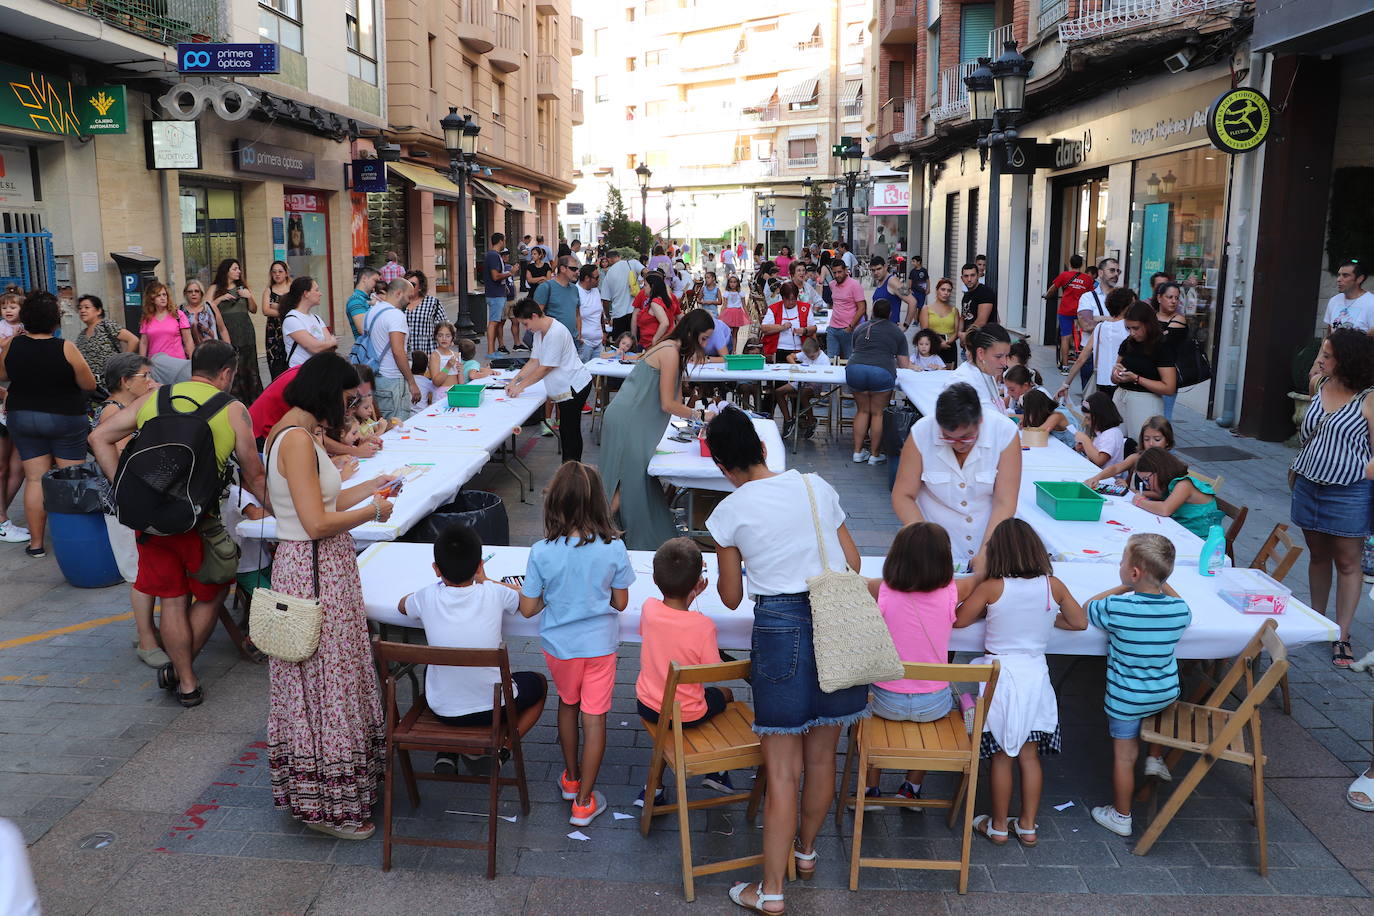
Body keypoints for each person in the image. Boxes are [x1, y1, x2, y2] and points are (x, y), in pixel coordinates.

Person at [703, 408, 868, 912]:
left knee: (781, 772)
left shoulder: (728, 511)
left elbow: (731, 598)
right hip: (835, 619)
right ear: (759, 444)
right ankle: (807, 851)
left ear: (722, 464)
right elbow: (853, 563)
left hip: (779, 628)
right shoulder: (816, 486)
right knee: (822, 758)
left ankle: (771, 890)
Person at [263, 352, 396, 838]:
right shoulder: (296, 440)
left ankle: (337, 791)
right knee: (326, 680)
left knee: (331, 676)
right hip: (314, 567)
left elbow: (321, 502)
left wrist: (370, 489)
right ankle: (330, 804)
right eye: (344, 399)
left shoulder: (300, 435)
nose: (347, 409)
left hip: (321, 564)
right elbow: (316, 523)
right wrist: (372, 513)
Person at [90, 341, 266, 705]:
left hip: (151, 519)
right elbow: (254, 473)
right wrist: (282, 513)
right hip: (197, 520)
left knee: (171, 600)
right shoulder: (232, 408)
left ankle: (186, 682)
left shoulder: (157, 397)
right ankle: (178, 668)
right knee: (214, 589)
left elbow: (98, 437)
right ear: (227, 373)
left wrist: (122, 488)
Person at [955, 519, 1087, 847]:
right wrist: (1046, 619)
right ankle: (1027, 826)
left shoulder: (992, 588)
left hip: (1000, 680)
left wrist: (989, 606)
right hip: (1036, 680)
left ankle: (998, 825)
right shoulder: (1052, 586)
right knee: (1029, 756)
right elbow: (1079, 622)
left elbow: (959, 619)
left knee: (1001, 754)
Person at [518, 461, 634, 826]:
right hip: (599, 646)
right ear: (598, 502)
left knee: (568, 705)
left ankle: (570, 778)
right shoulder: (614, 548)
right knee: (594, 718)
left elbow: (527, 609)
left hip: (560, 648)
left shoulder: (541, 551)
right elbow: (620, 603)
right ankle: (584, 802)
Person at [398, 524, 548, 775]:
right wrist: (488, 580)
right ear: (480, 565)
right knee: (539, 683)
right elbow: (529, 604)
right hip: (494, 706)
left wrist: (424, 595)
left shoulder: (426, 597)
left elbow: (403, 606)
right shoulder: (494, 592)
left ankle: (449, 751)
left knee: (439, 668)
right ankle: (503, 749)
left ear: (436, 569)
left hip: (442, 709)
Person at [858, 522, 978, 807]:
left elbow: (855, 581)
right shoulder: (952, 591)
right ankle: (911, 787)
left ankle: (871, 789)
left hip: (884, 702)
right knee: (939, 692)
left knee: (869, 690)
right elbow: (979, 578)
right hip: (933, 706)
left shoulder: (882, 589)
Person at [1085, 533, 1191, 837]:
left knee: (1125, 755)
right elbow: (1179, 601)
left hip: (1126, 700)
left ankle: (1121, 816)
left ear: (1134, 573)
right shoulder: (1179, 611)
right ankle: (1155, 756)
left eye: (1122, 561)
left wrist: (1123, 588)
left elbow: (1088, 606)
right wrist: (1159, 581)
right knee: (1161, 700)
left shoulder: (1117, 609)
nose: (1119, 564)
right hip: (1164, 695)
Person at [600, 310, 716, 550]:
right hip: (628, 423)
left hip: (629, 420)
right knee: (623, 487)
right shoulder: (670, 352)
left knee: (629, 485)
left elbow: (674, 400)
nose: (705, 345)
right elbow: (668, 404)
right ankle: (590, 537)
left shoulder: (671, 349)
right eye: (703, 339)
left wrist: (693, 408)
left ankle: (601, 538)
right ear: (692, 333)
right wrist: (701, 415)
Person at [634, 536, 735, 806]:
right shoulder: (703, 626)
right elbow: (713, 674)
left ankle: (653, 788)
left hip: (648, 705)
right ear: (696, 583)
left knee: (670, 714)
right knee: (724, 693)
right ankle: (718, 769)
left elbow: (670, 627)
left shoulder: (648, 609)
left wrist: (687, 596)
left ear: (655, 580)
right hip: (689, 714)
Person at [1295, 329, 1374, 668]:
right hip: (1308, 484)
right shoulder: (1319, 385)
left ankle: (1340, 635)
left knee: (1347, 562)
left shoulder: (1368, 398)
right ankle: (1317, 622)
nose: (1321, 359)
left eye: (1327, 354)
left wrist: (1360, 476)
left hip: (1349, 491)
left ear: (1347, 360)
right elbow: (1313, 373)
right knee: (1317, 555)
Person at [1, 291, 97, 558]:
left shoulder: (13, 345)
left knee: (34, 479)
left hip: (23, 416)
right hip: (64, 417)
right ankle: (78, 542)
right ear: (55, 320)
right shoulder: (65, 347)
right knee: (71, 481)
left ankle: (36, 544)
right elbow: (89, 384)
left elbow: (2, 373)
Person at [892, 382, 1021, 572]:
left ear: (980, 421)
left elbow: (1005, 501)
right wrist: (926, 541)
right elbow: (903, 495)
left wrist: (987, 551)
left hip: (990, 538)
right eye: (948, 437)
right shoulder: (921, 433)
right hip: (935, 542)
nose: (959, 444)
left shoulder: (1004, 433)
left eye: (967, 437)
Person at [94, 353, 164, 667]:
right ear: (126, 381)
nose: (150, 381)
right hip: (123, 504)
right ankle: (146, 639)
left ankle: (148, 631)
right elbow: (125, 458)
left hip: (133, 501)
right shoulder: (113, 411)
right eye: (144, 376)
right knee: (139, 573)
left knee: (144, 570)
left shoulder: (128, 408)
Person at [507, 299, 594, 463]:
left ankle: (572, 470)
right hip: (565, 387)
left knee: (570, 430)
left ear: (534, 316)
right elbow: (534, 361)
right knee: (566, 429)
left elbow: (546, 367)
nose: (526, 328)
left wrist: (520, 387)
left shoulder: (556, 332)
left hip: (575, 385)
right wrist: (514, 381)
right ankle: (569, 469)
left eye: (526, 324)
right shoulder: (539, 332)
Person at [845, 300, 913, 465]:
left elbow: (856, 350)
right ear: (889, 314)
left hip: (855, 369)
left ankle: (857, 452)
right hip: (881, 371)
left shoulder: (861, 328)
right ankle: (875, 455)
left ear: (872, 312)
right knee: (878, 413)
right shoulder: (897, 332)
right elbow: (904, 364)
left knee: (862, 411)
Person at [1057, 287, 1136, 403]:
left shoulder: (1100, 327)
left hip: (1102, 381)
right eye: (1133, 304)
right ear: (1126, 306)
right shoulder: (1130, 329)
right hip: (1123, 381)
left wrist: (1066, 384)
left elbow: (1081, 359)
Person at [1111, 301, 1178, 436]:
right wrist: (1116, 375)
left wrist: (1136, 379)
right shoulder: (1128, 342)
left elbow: (1169, 388)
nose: (1132, 333)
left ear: (1148, 324)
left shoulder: (1161, 346)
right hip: (1120, 397)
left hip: (1146, 402)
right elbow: (1113, 377)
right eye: (1128, 328)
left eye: (1136, 328)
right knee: (1117, 444)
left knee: (1140, 447)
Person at [1129, 447, 1223, 537]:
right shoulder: (1173, 484)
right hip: (1184, 533)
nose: (1147, 486)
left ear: (1159, 470)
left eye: (1146, 479)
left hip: (1200, 541)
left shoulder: (1184, 485)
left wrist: (1139, 501)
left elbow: (1165, 509)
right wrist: (1137, 493)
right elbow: (1160, 495)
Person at [207, 258, 263, 404]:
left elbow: (254, 309)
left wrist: (249, 297)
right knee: (232, 364)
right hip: (227, 331)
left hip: (245, 330)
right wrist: (220, 299)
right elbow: (206, 308)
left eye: (238, 269)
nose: (238, 272)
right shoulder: (215, 288)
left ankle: (252, 399)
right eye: (235, 269)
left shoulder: (243, 288)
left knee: (249, 365)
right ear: (226, 271)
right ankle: (234, 398)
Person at [367, 278, 420, 421]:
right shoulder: (396, 315)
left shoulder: (373, 311)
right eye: (409, 296)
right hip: (392, 380)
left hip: (376, 376)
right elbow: (398, 351)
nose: (410, 301)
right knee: (397, 427)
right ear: (398, 293)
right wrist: (412, 382)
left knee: (383, 425)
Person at [1086, 416, 1174, 490]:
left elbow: (1161, 495)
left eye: (1157, 439)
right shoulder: (1137, 457)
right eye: (1146, 439)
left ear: (1167, 441)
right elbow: (1116, 468)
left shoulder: (1169, 464)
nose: (1151, 443)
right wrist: (1097, 478)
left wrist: (1130, 490)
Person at [1044, 256, 1093, 372]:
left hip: (1066, 310)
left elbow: (1052, 289)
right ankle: (1083, 362)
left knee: (1065, 337)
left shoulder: (1064, 275)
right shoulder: (1087, 278)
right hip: (1082, 310)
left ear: (1070, 264)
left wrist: (1047, 295)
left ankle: (1065, 366)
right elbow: (1091, 294)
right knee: (1086, 335)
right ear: (1081, 265)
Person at [74, 293, 137, 382]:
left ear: (98, 311)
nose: (82, 311)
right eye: (80, 308)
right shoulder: (81, 335)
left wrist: (123, 364)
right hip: (91, 383)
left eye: (87, 307)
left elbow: (133, 340)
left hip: (111, 380)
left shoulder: (106, 326)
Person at [952, 324, 1012, 412]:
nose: (1005, 363)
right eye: (998, 356)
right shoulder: (962, 382)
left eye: (1006, 356)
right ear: (981, 353)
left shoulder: (987, 372)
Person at [280, 276, 337, 369]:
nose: (320, 294)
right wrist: (332, 342)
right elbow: (314, 347)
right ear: (306, 294)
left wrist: (327, 344)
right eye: (317, 290)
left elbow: (331, 349)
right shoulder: (292, 319)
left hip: (320, 371)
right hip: (301, 373)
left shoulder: (317, 318)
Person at [138, 281, 194, 363]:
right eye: (158, 295)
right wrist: (141, 364)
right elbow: (143, 343)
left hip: (177, 363)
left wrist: (193, 363)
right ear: (152, 299)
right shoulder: (147, 318)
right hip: (155, 364)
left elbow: (188, 340)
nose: (163, 298)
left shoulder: (178, 315)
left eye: (164, 295)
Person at [826, 260, 867, 361]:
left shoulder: (855, 285)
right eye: (834, 272)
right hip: (833, 328)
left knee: (850, 360)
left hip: (849, 329)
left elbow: (862, 308)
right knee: (830, 360)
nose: (837, 275)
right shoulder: (832, 284)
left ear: (846, 270)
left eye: (839, 272)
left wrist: (850, 327)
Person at [869, 256, 920, 338]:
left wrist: (905, 325)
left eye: (879, 269)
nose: (876, 272)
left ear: (885, 267)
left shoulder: (893, 281)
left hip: (890, 332)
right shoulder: (880, 281)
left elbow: (912, 301)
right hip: (878, 331)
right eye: (873, 270)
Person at [535, 255, 582, 341]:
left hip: (573, 341)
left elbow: (577, 314)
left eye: (577, 269)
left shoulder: (575, 289)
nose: (577, 272)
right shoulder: (545, 287)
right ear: (562, 269)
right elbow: (535, 317)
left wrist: (579, 334)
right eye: (573, 269)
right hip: (553, 341)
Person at [1075, 390, 1126, 468]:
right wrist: (1085, 448)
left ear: (1100, 417)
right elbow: (1097, 452)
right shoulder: (1103, 432)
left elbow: (1099, 461)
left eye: (1088, 418)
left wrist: (1086, 441)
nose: (1087, 422)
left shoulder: (1111, 434)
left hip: (1106, 478)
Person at [403, 269, 447, 356]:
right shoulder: (400, 303)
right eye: (406, 284)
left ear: (420, 287)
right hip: (404, 355)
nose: (408, 287)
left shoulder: (433, 303)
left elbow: (444, 327)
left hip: (427, 354)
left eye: (412, 284)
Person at [484, 233, 515, 355]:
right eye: (504, 241)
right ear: (501, 241)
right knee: (493, 322)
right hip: (495, 295)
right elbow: (495, 276)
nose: (505, 243)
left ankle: (492, 350)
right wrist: (510, 273)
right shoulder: (493, 256)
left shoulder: (494, 255)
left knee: (495, 322)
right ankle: (490, 351)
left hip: (497, 293)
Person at [1324, 259, 1374, 334]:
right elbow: (1329, 332)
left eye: (1345, 275)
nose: (1338, 279)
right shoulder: (1334, 300)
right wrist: (1323, 346)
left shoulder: (1371, 302)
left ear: (1360, 279)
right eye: (1339, 275)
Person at [920, 277, 961, 366]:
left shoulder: (955, 310)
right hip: (931, 344)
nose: (946, 293)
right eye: (943, 289)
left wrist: (948, 342)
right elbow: (925, 329)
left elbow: (957, 331)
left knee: (949, 375)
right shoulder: (926, 309)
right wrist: (939, 342)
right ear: (937, 290)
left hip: (950, 345)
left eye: (949, 291)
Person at [262, 260, 292, 378]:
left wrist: (276, 306)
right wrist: (284, 310)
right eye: (274, 272)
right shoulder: (268, 290)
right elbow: (265, 310)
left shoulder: (292, 288)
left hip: (291, 328)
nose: (277, 274)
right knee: (276, 365)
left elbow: (296, 308)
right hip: (273, 331)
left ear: (286, 273)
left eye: (280, 271)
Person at [636, 271, 679, 349]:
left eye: (645, 285)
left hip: (650, 344)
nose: (643, 288)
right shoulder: (667, 299)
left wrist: (654, 340)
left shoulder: (655, 303)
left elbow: (665, 323)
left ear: (652, 287)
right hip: (662, 343)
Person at [182, 279, 229, 348]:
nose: (193, 294)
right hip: (189, 353)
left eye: (197, 291)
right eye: (190, 291)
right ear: (185, 294)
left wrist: (229, 349)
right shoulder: (180, 311)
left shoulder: (210, 307)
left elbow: (222, 330)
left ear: (201, 293)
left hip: (212, 349)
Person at [959, 264, 997, 346]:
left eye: (972, 275)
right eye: (966, 276)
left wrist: (966, 335)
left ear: (978, 276)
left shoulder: (985, 292)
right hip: (969, 344)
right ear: (962, 278)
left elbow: (981, 321)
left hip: (983, 345)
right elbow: (963, 316)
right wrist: (960, 333)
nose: (969, 279)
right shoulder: (966, 295)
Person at [576, 263, 605, 362]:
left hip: (598, 342)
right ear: (587, 278)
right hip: (584, 344)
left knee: (597, 376)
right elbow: (574, 316)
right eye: (596, 278)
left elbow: (600, 313)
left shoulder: (596, 290)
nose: (599, 280)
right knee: (583, 375)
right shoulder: (576, 292)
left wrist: (603, 331)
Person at [346, 268, 381, 337]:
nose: (377, 285)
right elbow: (363, 329)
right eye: (375, 281)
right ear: (364, 278)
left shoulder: (366, 299)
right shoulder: (355, 300)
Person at [719, 274, 747, 351]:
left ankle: (734, 350)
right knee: (727, 333)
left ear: (737, 283)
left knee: (735, 334)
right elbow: (724, 305)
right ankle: (727, 349)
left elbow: (744, 305)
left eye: (734, 282)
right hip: (728, 314)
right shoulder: (727, 293)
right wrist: (721, 315)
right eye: (731, 282)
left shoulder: (741, 293)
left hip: (738, 313)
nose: (733, 284)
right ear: (728, 283)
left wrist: (747, 315)